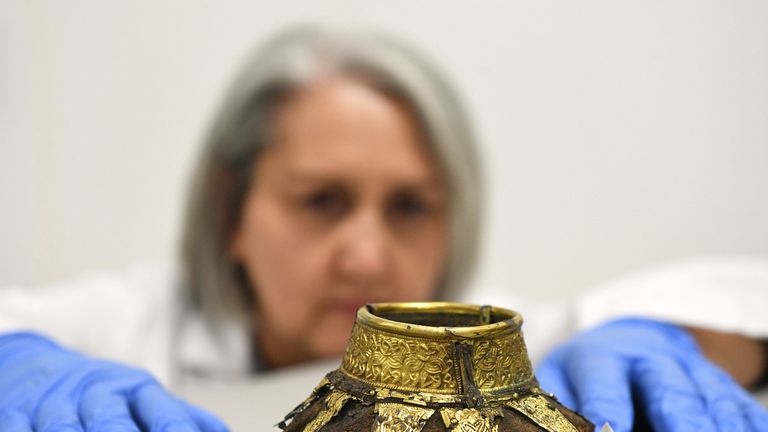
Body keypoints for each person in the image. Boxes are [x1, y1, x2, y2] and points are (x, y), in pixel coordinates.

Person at [0, 25, 766, 432]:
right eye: (321, 201)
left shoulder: (493, 349)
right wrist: (19, 363)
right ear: (231, 210)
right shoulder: (125, 331)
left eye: (410, 207)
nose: (368, 256)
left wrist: (645, 337)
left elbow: (742, 303)